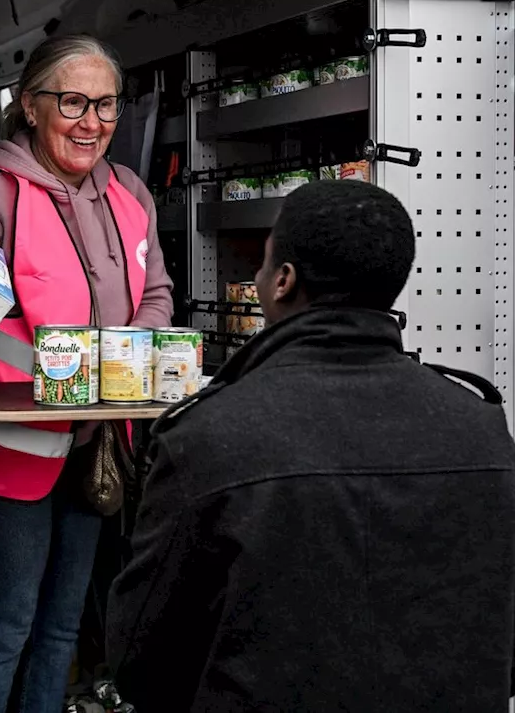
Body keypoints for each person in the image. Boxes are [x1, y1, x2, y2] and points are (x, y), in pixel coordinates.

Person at [105, 180, 515, 711]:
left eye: (262, 263)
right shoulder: (482, 429)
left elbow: (143, 659)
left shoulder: (209, 437)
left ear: (283, 281)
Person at [0, 34, 174, 713]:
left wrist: (130, 351)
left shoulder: (129, 193)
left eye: (105, 104)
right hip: (2, 448)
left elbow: (156, 289)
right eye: (73, 101)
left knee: (61, 626)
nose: (92, 121)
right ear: (29, 107)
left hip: (94, 441)